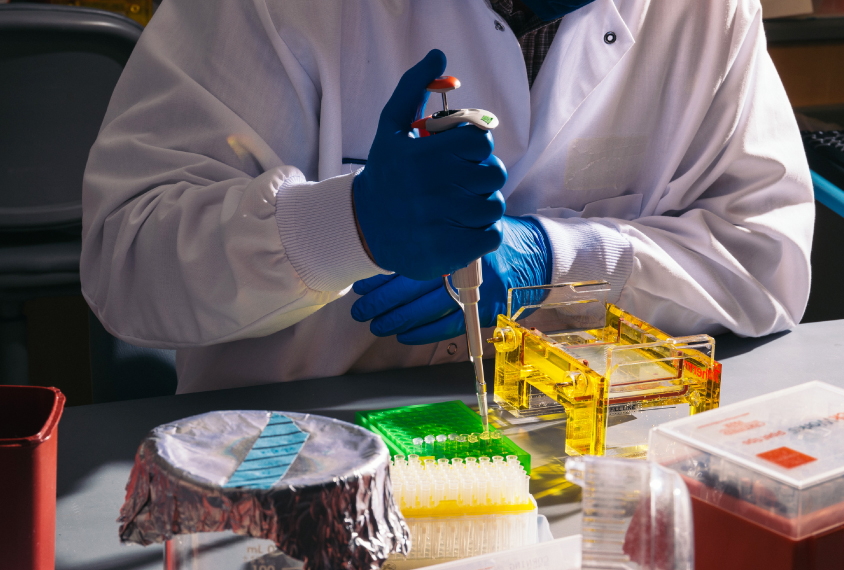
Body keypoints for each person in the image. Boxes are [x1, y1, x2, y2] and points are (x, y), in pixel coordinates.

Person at [81, 0, 814, 394]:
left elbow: (766, 255)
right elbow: (127, 254)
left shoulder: (708, 13)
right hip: (297, 467)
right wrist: (345, 226)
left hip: (578, 463)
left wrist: (560, 262)